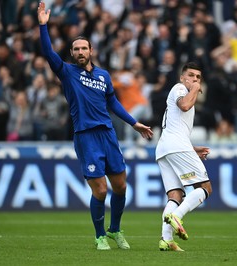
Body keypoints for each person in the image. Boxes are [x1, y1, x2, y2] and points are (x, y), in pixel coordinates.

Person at [37, 2, 153, 250]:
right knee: (100, 191)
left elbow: (113, 102)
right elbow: (47, 53)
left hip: (108, 134)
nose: (80, 52)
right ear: (72, 53)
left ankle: (115, 230)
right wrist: (43, 26)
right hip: (86, 136)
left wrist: (134, 123)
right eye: (76, 49)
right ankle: (100, 235)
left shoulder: (103, 76)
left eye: (84, 48)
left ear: (91, 50)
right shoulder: (67, 72)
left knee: (121, 186)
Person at [155, 62, 212, 251]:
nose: (195, 79)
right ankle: (177, 216)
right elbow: (185, 105)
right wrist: (195, 88)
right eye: (191, 75)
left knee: (175, 195)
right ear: (182, 77)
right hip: (175, 146)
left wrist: (192, 149)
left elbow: (175, 126)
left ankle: (166, 239)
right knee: (205, 187)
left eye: (198, 77)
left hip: (166, 147)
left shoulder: (183, 91)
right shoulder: (179, 88)